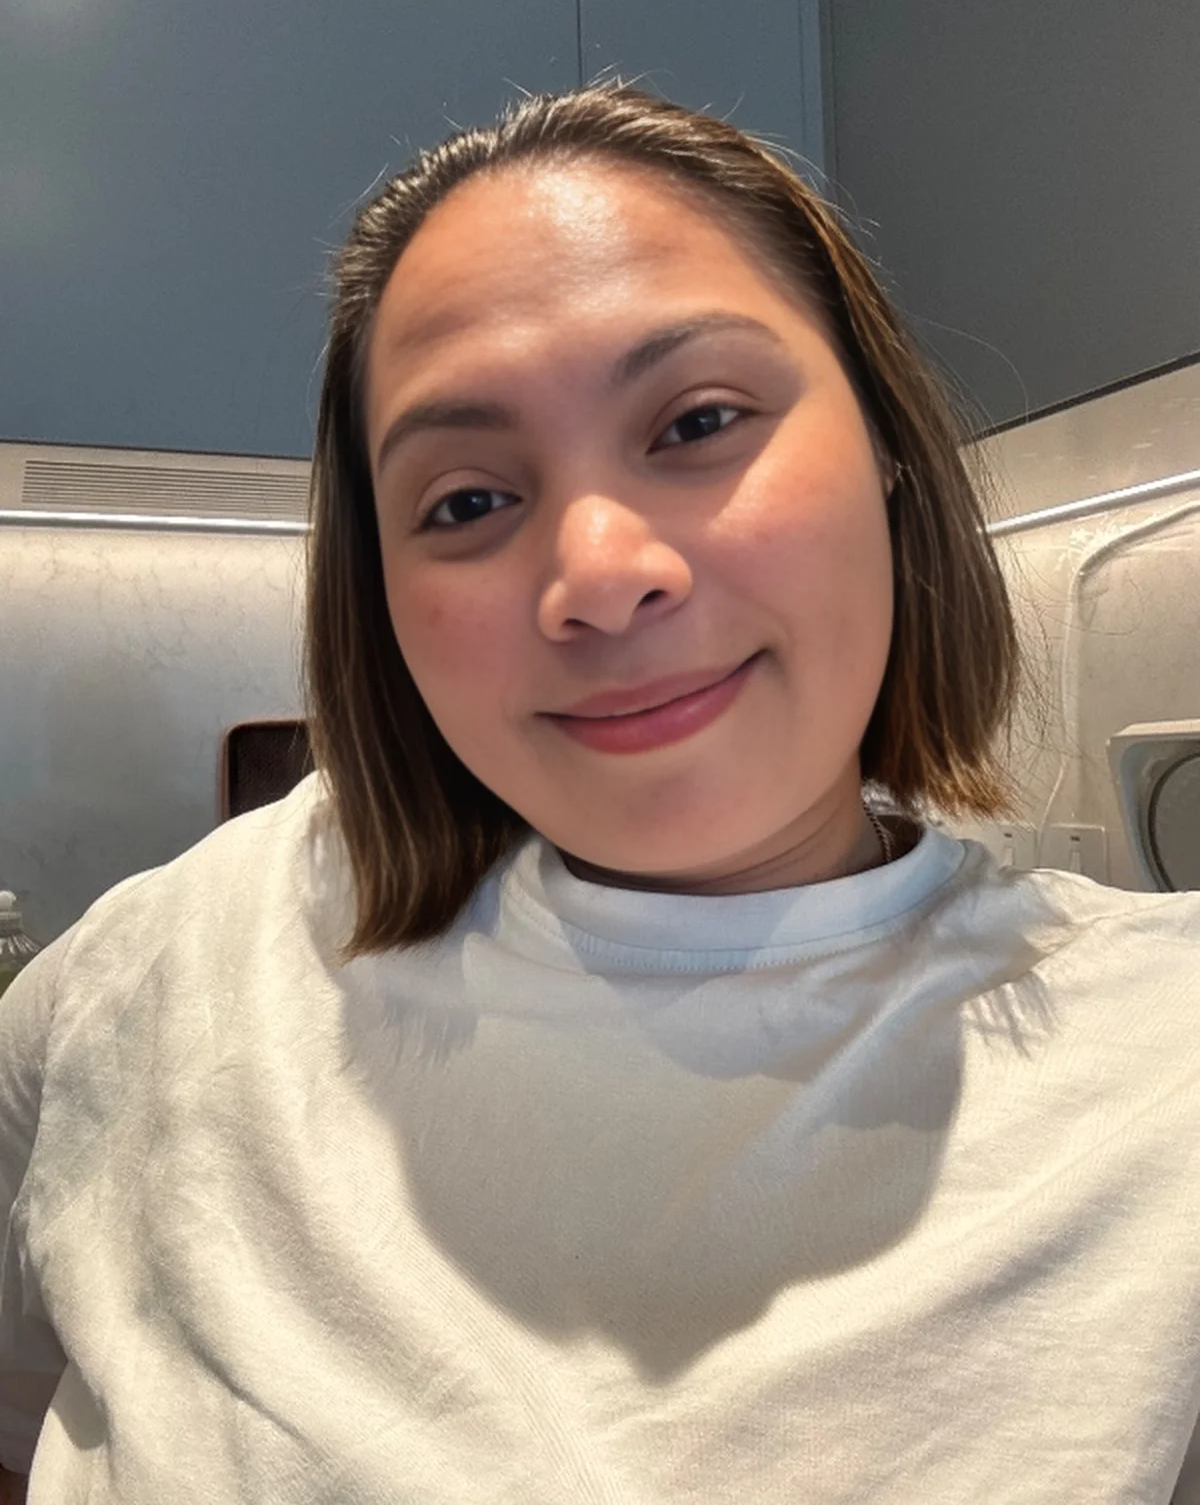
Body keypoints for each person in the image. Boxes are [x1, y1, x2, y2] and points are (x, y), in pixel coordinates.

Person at [1, 82, 1198, 1504]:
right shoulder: (172, 961)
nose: (601, 575)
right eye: (465, 501)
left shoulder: (1163, 1066)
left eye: (698, 421)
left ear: (885, 444)